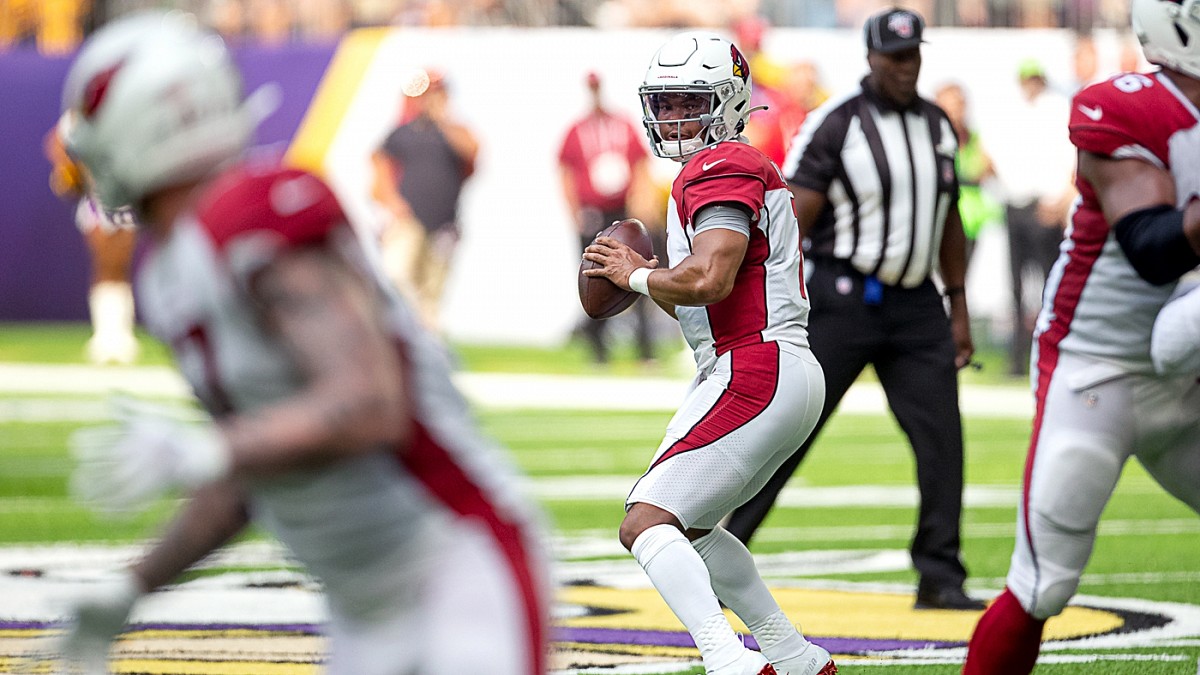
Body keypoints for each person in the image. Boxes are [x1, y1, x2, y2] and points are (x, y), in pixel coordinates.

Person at [53, 12, 547, 675]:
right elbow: (256, 462)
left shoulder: (251, 215)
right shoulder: (171, 268)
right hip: (360, 604)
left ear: (147, 119)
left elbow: (370, 402)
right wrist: (130, 585)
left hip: (455, 563)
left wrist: (209, 447)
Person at [583, 31, 836, 675]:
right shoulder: (719, 169)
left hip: (756, 367)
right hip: (766, 364)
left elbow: (710, 279)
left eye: (689, 101)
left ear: (728, 102)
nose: (675, 118)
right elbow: (706, 300)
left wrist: (636, 276)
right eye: (664, 104)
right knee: (690, 528)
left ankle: (730, 660)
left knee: (645, 522)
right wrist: (646, 274)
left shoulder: (721, 166)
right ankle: (793, 656)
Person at [962, 0, 1200, 671]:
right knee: (1045, 582)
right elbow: (1152, 246)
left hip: (1188, 364)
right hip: (1097, 373)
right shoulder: (1129, 108)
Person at [725, 7, 982, 612]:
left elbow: (948, 220)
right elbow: (789, 220)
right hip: (842, 300)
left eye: (912, 55)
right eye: (894, 56)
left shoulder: (938, 125)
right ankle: (725, 545)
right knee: (788, 428)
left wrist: (959, 303)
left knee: (943, 439)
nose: (904, 66)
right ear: (870, 56)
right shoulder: (836, 123)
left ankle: (940, 574)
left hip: (917, 306)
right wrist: (774, 304)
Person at [557, 70, 654, 364]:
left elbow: (639, 165)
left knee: (637, 275)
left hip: (621, 212)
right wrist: (574, 213)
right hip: (593, 213)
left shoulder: (622, 125)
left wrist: (641, 202)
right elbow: (565, 170)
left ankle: (644, 350)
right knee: (594, 281)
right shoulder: (577, 130)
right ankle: (598, 348)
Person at [371, 68, 479, 330]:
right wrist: (392, 202)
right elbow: (379, 169)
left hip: (443, 221)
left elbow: (472, 153)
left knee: (433, 293)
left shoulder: (454, 131)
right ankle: (403, 336)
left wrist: (442, 119)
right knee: (397, 277)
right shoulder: (405, 131)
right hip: (408, 220)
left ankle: (427, 345)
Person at [987, 58, 1075, 376]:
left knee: (1049, 285)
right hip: (1016, 203)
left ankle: (1054, 350)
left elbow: (1070, 158)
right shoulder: (1012, 112)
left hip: (1044, 205)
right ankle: (1017, 359)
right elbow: (995, 155)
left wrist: (1060, 199)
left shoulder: (1057, 108)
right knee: (1015, 287)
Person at [44, 119, 140, 365]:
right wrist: (68, 167)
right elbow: (56, 141)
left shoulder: (126, 112)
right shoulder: (78, 117)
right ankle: (105, 335)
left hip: (124, 195)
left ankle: (122, 336)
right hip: (97, 197)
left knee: (121, 262)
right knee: (104, 263)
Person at [934, 81, 1003, 268]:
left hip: (973, 222)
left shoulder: (975, 138)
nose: (955, 113)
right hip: (941, 220)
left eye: (959, 106)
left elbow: (990, 169)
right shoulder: (931, 140)